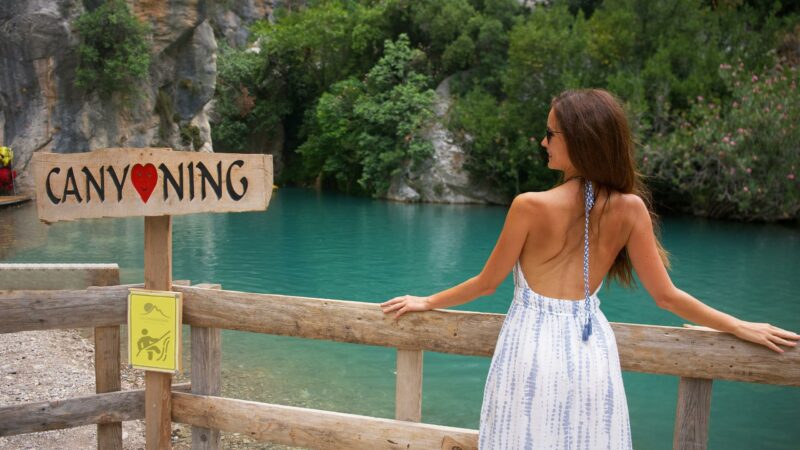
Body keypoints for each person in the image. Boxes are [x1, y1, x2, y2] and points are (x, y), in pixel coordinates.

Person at [379, 88, 799, 449]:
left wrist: (426, 300)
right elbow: (667, 297)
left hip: (530, 347)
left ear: (579, 140)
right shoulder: (631, 208)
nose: (543, 142)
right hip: (590, 352)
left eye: (549, 134)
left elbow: (487, 284)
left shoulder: (529, 205)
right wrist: (739, 325)